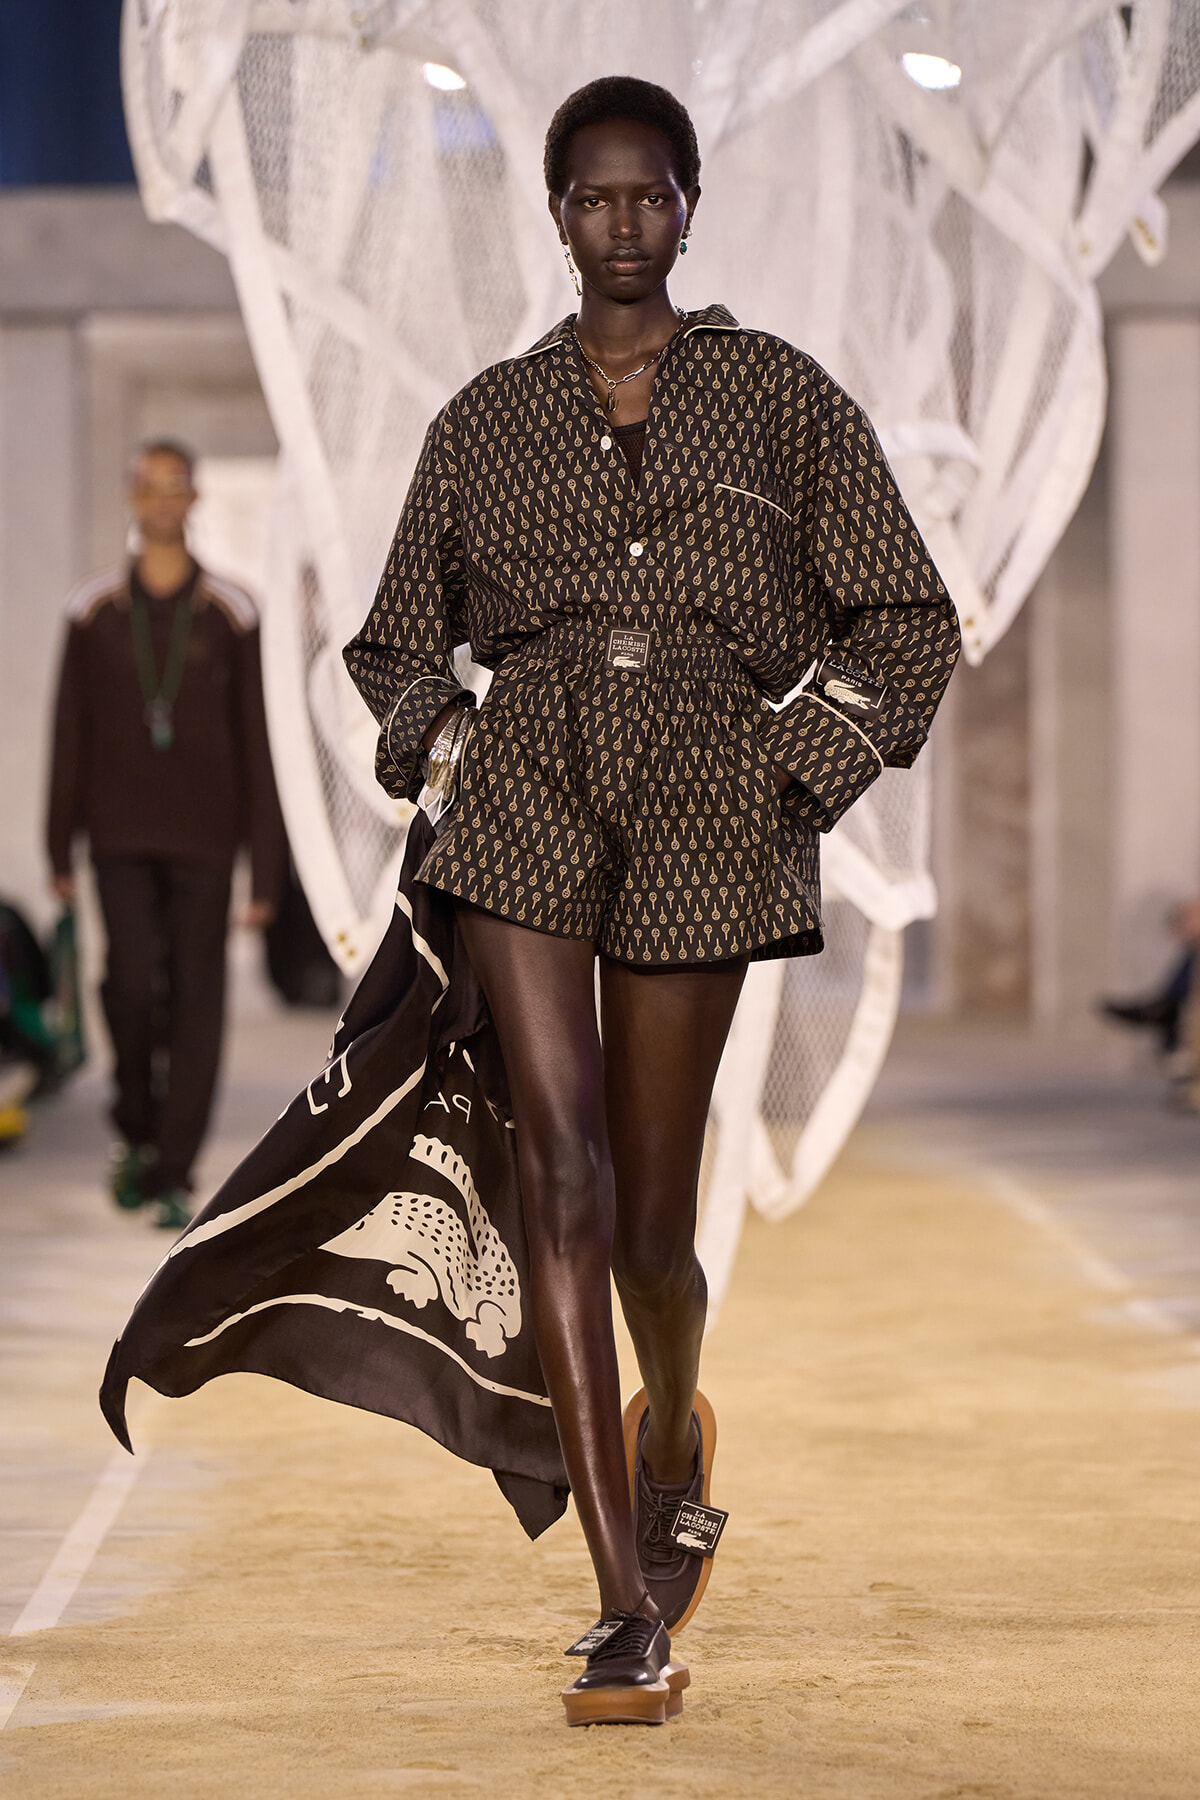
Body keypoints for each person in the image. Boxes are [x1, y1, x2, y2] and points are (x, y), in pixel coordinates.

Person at [341, 76, 960, 1722]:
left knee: (653, 1228)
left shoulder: (780, 397)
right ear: (555, 215)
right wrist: (449, 744)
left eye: (651, 195)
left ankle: (670, 1420)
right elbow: (395, 637)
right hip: (528, 786)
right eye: (594, 198)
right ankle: (625, 1606)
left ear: (690, 205)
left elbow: (908, 617)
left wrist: (794, 772)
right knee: (564, 1175)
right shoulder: (485, 421)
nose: (624, 224)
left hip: (707, 789)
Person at [46, 440, 286, 1228]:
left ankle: (174, 1169)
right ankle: (136, 1129)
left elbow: (259, 742)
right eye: (147, 486)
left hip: (207, 840)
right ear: (131, 496)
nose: (160, 499)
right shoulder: (92, 611)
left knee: (196, 998)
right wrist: (57, 845)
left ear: (193, 498)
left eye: (173, 486)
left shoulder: (233, 610)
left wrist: (266, 871)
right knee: (129, 986)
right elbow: (69, 731)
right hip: (117, 835)